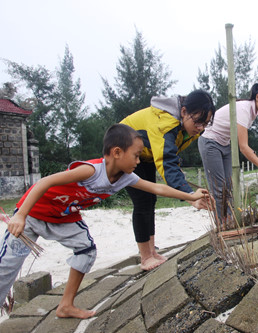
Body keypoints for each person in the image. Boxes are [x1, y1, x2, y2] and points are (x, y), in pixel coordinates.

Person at [0, 124, 210, 319]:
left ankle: (65, 305)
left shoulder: (126, 177)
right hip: (31, 214)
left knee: (86, 249)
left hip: (63, 218)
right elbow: (45, 182)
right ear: (117, 152)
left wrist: (191, 196)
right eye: (136, 156)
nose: (138, 162)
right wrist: (20, 215)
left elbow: (157, 188)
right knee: (6, 270)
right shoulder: (91, 171)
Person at [120, 90, 216, 271]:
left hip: (144, 155)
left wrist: (187, 191)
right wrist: (190, 196)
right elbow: (167, 162)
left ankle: (152, 251)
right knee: (142, 201)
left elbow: (171, 157)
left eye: (205, 123)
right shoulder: (165, 123)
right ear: (183, 112)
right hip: (125, 152)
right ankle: (145, 256)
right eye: (197, 122)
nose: (200, 128)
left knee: (151, 200)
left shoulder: (187, 127)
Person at [198, 83, 258, 222]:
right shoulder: (244, 109)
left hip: (225, 144)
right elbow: (243, 147)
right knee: (219, 190)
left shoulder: (253, 111)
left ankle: (231, 221)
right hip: (210, 142)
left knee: (229, 187)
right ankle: (222, 225)